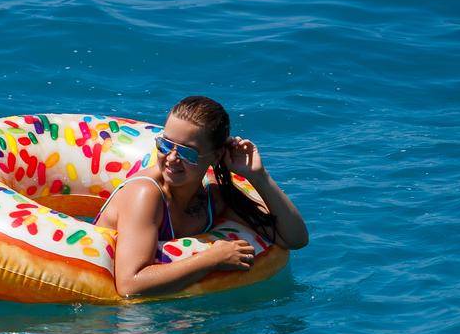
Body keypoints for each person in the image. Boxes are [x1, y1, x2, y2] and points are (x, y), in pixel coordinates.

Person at [94, 95, 309, 298]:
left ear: (216, 156)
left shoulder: (213, 197)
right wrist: (211, 259)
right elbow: (130, 285)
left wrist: (258, 176)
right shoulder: (144, 194)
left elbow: (294, 239)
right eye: (165, 144)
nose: (171, 158)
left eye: (187, 152)